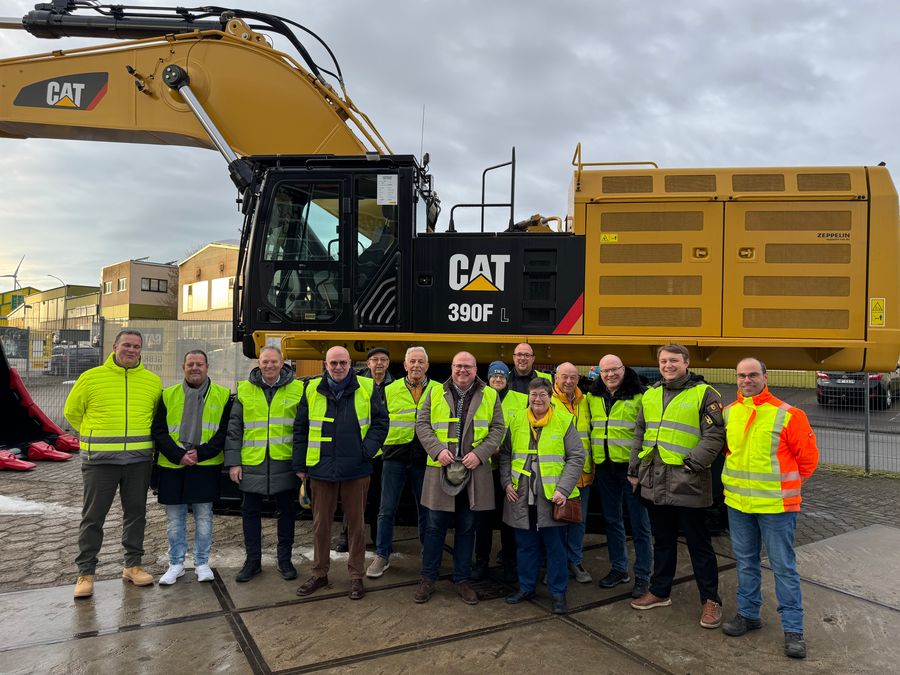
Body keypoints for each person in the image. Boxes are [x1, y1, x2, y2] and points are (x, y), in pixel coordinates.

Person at [721, 358, 819, 659]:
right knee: (745, 562)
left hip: (777, 507)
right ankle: (749, 615)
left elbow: (808, 460)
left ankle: (793, 630)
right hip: (738, 504)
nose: (746, 380)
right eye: (741, 375)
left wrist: (783, 487)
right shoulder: (729, 413)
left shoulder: (790, 415)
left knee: (783, 568)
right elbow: (729, 453)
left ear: (765, 377)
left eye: (752, 375)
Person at [628, 343, 726, 629]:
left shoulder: (705, 394)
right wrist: (634, 470)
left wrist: (692, 464)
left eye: (673, 361)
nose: (667, 365)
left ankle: (711, 601)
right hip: (655, 483)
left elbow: (715, 436)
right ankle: (660, 592)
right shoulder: (651, 394)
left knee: (699, 545)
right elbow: (640, 434)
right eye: (663, 361)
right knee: (664, 542)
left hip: (688, 483)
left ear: (686, 362)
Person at [65, 329, 162, 599]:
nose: (131, 350)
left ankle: (133, 565)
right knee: (93, 517)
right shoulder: (91, 378)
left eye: (136, 346)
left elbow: (155, 418)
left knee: (136, 515)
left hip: (138, 462)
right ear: (115, 347)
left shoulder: (152, 382)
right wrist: (94, 436)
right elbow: (72, 412)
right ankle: (86, 572)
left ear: (142, 350)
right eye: (126, 345)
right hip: (100, 463)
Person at [293, 346, 389, 600]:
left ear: (350, 364)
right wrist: (300, 466)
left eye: (343, 363)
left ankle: (356, 577)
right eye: (333, 363)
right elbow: (301, 429)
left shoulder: (367, 388)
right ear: (325, 364)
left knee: (356, 525)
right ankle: (319, 573)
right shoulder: (311, 389)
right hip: (321, 468)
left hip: (356, 468)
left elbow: (381, 423)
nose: (338, 367)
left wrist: (365, 451)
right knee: (320, 524)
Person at [414, 351, 505, 605]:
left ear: (476, 369)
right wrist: (437, 450)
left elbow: (499, 428)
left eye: (467, 366)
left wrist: (480, 454)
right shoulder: (434, 392)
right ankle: (428, 579)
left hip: (473, 470)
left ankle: (462, 579)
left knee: (467, 528)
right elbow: (422, 424)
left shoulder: (490, 394)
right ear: (451, 368)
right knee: (434, 527)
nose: (462, 370)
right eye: (457, 366)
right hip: (440, 467)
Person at [501, 377, 585, 615]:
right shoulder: (517, 419)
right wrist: (506, 482)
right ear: (528, 396)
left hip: (552, 497)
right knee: (525, 546)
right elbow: (506, 454)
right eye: (534, 394)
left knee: (555, 548)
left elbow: (576, 457)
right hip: (520, 495)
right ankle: (526, 587)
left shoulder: (564, 420)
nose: (538, 399)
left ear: (550, 397)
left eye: (542, 395)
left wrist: (563, 490)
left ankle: (558, 594)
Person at [152, 350, 233, 585]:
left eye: (199, 364)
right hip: (173, 465)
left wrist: (201, 453)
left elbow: (224, 432)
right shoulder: (167, 395)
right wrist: (179, 455)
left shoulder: (223, 395)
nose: (195, 368)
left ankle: (202, 563)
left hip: (205, 464)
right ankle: (176, 563)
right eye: (190, 364)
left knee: (204, 517)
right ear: (183, 367)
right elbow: (159, 431)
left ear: (207, 367)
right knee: (175, 519)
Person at [225, 346, 303, 583]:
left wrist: (301, 464)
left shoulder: (299, 389)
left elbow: (302, 429)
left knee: (287, 513)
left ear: (282, 363)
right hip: (252, 463)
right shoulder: (245, 390)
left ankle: (285, 560)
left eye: (273, 362)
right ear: (259, 364)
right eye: (265, 362)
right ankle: (253, 562)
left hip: (284, 461)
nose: (269, 366)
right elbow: (234, 428)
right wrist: (234, 463)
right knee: (250, 513)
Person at [366, 346, 441, 578]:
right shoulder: (390, 389)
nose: (416, 365)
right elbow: (377, 421)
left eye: (421, 362)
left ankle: (428, 553)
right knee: (386, 509)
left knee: (426, 510)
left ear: (427, 366)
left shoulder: (439, 390)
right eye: (412, 361)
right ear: (405, 365)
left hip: (426, 458)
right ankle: (382, 555)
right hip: (395, 458)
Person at [587, 354, 652, 598]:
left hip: (631, 471)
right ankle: (619, 569)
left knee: (639, 524)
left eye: (614, 370)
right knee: (612, 521)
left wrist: (637, 470)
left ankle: (644, 576)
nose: (610, 375)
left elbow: (647, 435)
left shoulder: (640, 396)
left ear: (624, 369)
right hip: (605, 469)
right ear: (599, 373)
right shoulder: (593, 397)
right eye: (605, 371)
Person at [472, 361, 527, 582]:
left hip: (510, 467)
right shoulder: (479, 397)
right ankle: (481, 561)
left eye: (502, 376)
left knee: (510, 518)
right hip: (484, 467)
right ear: (488, 378)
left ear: (507, 379)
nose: (497, 379)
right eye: (494, 376)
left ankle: (509, 562)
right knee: (482, 518)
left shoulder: (520, 400)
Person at [335, 346, 392, 552]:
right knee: (351, 497)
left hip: (384, 452)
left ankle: (379, 539)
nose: (379, 363)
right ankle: (346, 537)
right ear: (367, 363)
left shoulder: (395, 386)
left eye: (383, 360)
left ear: (388, 364)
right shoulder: (357, 383)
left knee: (379, 499)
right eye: (375, 359)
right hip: (359, 451)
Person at [551, 362, 594, 584]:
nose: (568, 382)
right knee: (557, 523)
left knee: (578, 522)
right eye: (564, 377)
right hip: (558, 475)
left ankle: (574, 561)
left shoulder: (586, 402)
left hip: (583, 475)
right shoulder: (548, 402)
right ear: (556, 379)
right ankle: (557, 566)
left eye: (573, 377)